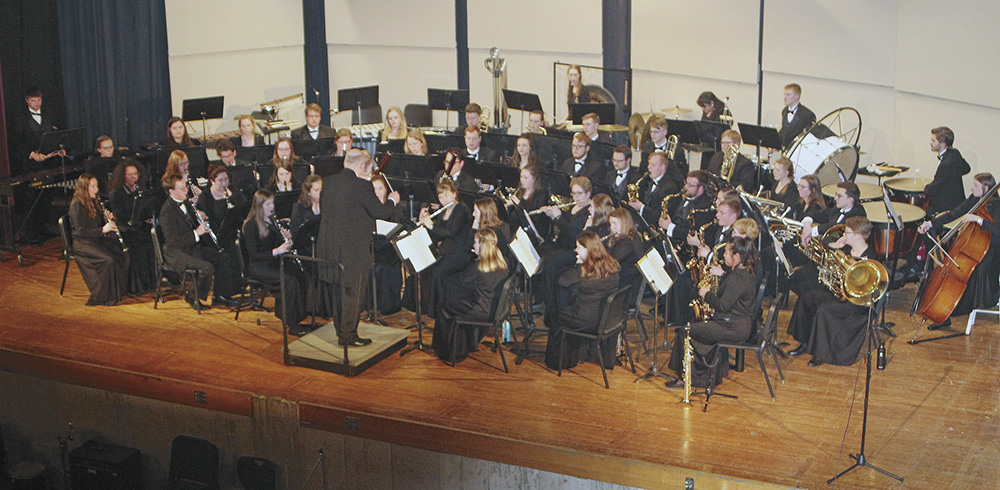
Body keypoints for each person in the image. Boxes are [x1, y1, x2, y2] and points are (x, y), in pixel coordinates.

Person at [317, 148, 400, 346]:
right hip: (353, 250)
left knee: (337, 291)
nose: (371, 171)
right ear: (363, 165)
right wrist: (392, 200)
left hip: (328, 247)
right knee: (353, 293)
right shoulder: (362, 186)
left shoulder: (328, 182)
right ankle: (348, 336)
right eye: (370, 166)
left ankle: (341, 331)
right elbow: (380, 212)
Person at [666, 236, 758, 388]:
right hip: (734, 324)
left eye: (727, 253)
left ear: (736, 256)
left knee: (685, 331)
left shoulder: (737, 279)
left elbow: (722, 305)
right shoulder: (743, 273)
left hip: (732, 329)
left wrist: (706, 293)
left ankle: (685, 378)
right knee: (697, 327)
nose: (724, 255)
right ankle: (703, 375)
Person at [786, 217, 879, 366]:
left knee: (823, 310)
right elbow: (826, 251)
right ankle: (804, 342)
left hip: (855, 303)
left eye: (847, 233)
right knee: (807, 297)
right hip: (838, 293)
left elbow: (869, 290)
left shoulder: (872, 258)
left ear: (858, 236)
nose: (844, 235)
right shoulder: (846, 248)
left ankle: (820, 353)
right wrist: (836, 245)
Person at [917, 173, 1000, 330]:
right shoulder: (976, 199)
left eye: (975, 185)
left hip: (994, 249)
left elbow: (997, 230)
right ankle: (946, 312)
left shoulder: (997, 206)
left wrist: (979, 220)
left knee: (971, 271)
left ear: (986, 188)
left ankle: (954, 309)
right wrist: (930, 224)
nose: (971, 188)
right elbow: (954, 213)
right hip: (979, 246)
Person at [157, 174, 238, 309]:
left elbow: (190, 223)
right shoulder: (167, 212)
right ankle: (193, 296)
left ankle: (220, 295)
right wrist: (196, 233)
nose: (186, 190)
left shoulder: (186, 202)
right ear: (171, 191)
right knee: (207, 268)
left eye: (186, 187)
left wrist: (200, 217)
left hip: (191, 247)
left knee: (223, 257)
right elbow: (172, 240)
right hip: (176, 252)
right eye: (182, 188)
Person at [544, 230, 620, 370]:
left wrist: (578, 264)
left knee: (556, 313)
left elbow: (563, 280)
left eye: (578, 247)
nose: (575, 250)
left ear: (588, 250)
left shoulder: (584, 275)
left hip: (586, 322)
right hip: (608, 319)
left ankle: (559, 361)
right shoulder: (612, 268)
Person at [432, 228, 509, 363]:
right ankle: (467, 344)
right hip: (495, 308)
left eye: (475, 242)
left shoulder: (478, 267)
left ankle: (449, 351)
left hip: (482, 310)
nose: (473, 245)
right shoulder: (502, 264)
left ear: (482, 245)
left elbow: (460, 280)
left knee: (444, 305)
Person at [241, 189, 309, 327]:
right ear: (259, 206)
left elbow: (276, 243)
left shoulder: (271, 220)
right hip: (259, 267)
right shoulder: (251, 225)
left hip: (273, 262)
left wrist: (285, 238)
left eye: (272, 203)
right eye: (268, 204)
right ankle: (291, 323)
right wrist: (278, 250)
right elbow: (254, 254)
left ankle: (299, 316)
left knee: (300, 274)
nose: (272, 207)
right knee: (289, 280)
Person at [68, 174, 129, 306]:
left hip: (95, 239)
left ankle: (118, 292)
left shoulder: (94, 201)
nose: (96, 190)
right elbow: (80, 231)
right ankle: (102, 296)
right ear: (84, 188)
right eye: (93, 187)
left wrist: (108, 218)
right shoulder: (77, 205)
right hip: (82, 243)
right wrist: (103, 230)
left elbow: (98, 222)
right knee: (108, 260)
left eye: (96, 186)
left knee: (120, 253)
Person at [418, 179, 473, 317]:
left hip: (461, 253)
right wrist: (424, 229)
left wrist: (432, 225)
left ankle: (437, 311)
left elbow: (451, 232)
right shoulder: (444, 211)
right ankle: (426, 306)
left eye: (447, 195)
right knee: (425, 268)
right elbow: (438, 234)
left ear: (454, 194)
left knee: (438, 272)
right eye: (441, 197)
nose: (443, 200)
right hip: (448, 251)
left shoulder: (461, 209)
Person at [108, 160, 156, 294]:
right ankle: (139, 285)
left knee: (153, 240)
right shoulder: (116, 193)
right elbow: (120, 217)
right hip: (126, 228)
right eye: (130, 175)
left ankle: (152, 281)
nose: (134, 177)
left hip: (139, 225)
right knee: (141, 245)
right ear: (122, 176)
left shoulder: (140, 189)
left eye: (136, 174)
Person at [370, 173, 404, 315]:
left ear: (386, 190)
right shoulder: (369, 207)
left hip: (390, 247)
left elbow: (398, 229)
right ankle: (372, 303)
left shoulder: (394, 208)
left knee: (383, 267)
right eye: (374, 189)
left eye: (380, 188)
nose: (377, 192)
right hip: (373, 246)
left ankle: (388, 305)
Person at [923, 126, 971, 215]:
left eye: (933, 141)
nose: (930, 143)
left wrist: (926, 187)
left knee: (924, 214)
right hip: (958, 203)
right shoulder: (955, 152)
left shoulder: (946, 164)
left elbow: (934, 189)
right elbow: (966, 169)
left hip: (947, 207)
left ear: (943, 143)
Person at [12, 86, 59, 175]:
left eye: (39, 100)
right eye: (33, 101)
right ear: (27, 100)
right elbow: (17, 143)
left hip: (51, 162)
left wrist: (59, 149)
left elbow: (55, 135)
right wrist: (33, 155)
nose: (36, 104)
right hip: (31, 165)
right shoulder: (20, 119)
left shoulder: (50, 114)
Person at [629, 152, 680, 228]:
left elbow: (659, 215)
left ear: (663, 167)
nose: (649, 167)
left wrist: (641, 207)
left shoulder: (669, 188)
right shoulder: (653, 180)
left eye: (652, 165)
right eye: (649, 164)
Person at [196, 165, 247, 236]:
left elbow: (245, 207)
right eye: (220, 180)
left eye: (226, 179)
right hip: (219, 233)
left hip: (237, 229)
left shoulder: (234, 190)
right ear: (212, 181)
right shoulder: (205, 197)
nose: (224, 183)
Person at [508, 165, 551, 242]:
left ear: (534, 178)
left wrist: (520, 204)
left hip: (533, 231)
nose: (522, 180)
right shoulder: (519, 192)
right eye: (521, 177)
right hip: (518, 229)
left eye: (526, 178)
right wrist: (509, 207)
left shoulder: (542, 194)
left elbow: (536, 217)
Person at [639, 115, 687, 182]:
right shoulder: (647, 147)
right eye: (651, 132)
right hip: (649, 183)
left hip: (669, 184)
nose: (653, 135)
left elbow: (682, 172)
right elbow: (642, 169)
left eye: (656, 132)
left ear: (665, 132)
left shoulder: (677, 150)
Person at [607, 208, 643, 290]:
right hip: (626, 280)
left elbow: (610, 261)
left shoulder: (627, 242)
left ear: (624, 223)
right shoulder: (632, 235)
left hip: (626, 284)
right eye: (610, 224)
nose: (612, 228)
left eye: (615, 223)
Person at [778, 83, 816, 150]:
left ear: (797, 96)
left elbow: (809, 138)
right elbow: (784, 131)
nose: (785, 97)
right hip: (785, 152)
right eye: (784, 94)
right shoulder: (784, 111)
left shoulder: (807, 114)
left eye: (788, 94)